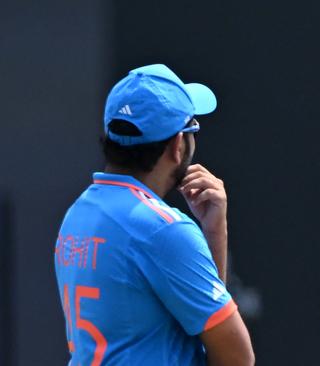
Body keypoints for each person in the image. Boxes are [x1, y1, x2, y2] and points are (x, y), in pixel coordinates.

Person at [54, 64, 255, 365]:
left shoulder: (78, 212)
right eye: (192, 130)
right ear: (177, 145)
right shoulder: (164, 229)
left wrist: (214, 232)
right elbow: (238, 356)